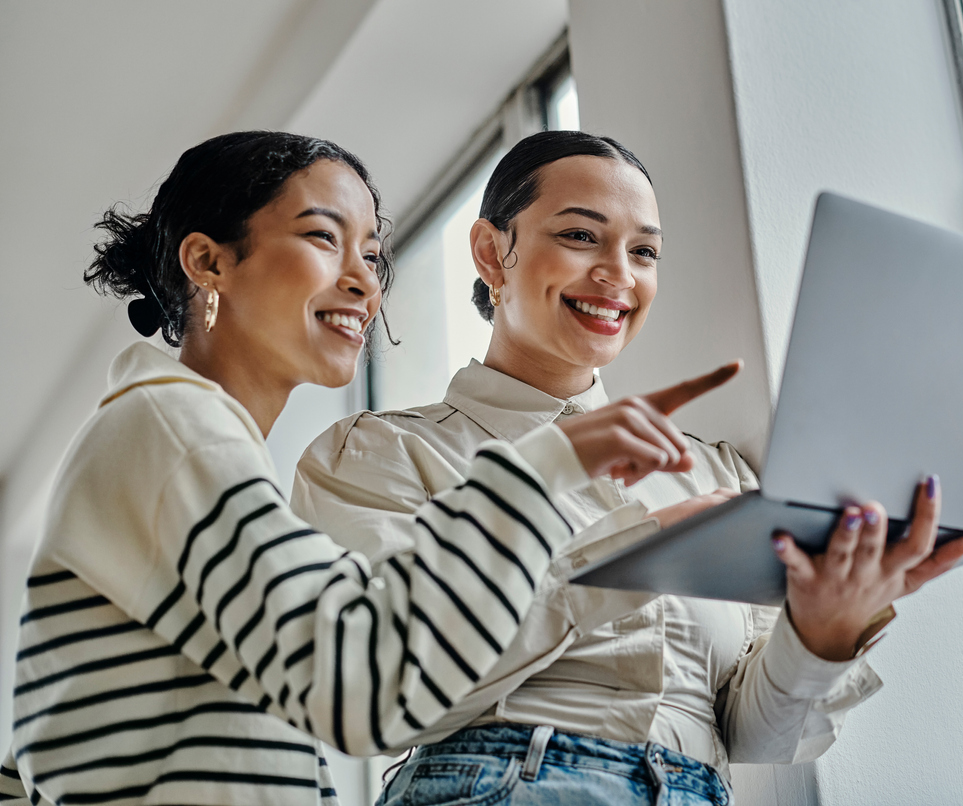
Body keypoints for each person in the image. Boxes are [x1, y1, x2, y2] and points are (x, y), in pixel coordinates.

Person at [0, 131, 733, 806]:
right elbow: (370, 686)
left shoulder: (190, 444)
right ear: (208, 261)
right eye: (324, 237)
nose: (364, 282)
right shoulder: (174, 426)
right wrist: (548, 466)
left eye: (373, 255)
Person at [293, 131, 963, 805]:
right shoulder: (380, 454)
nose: (619, 273)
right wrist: (636, 557)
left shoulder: (716, 474)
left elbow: (754, 736)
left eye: (644, 250)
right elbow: (385, 695)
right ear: (491, 253)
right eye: (581, 236)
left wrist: (824, 630)